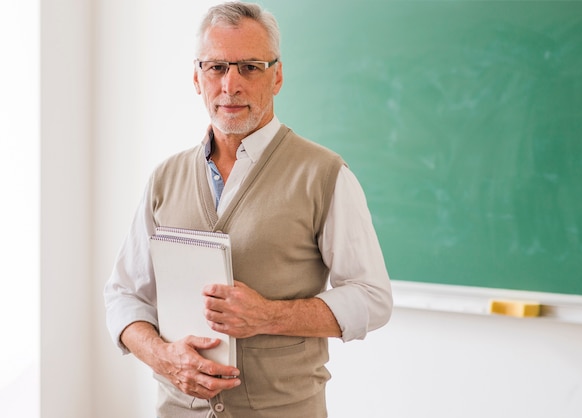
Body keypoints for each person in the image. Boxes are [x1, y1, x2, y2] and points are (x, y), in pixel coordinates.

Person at [104, 2, 393, 417]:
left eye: (250, 67)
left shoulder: (324, 174)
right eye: (217, 67)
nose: (231, 84)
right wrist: (164, 358)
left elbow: (373, 298)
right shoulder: (164, 178)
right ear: (196, 78)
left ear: (277, 76)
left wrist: (268, 316)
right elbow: (124, 295)